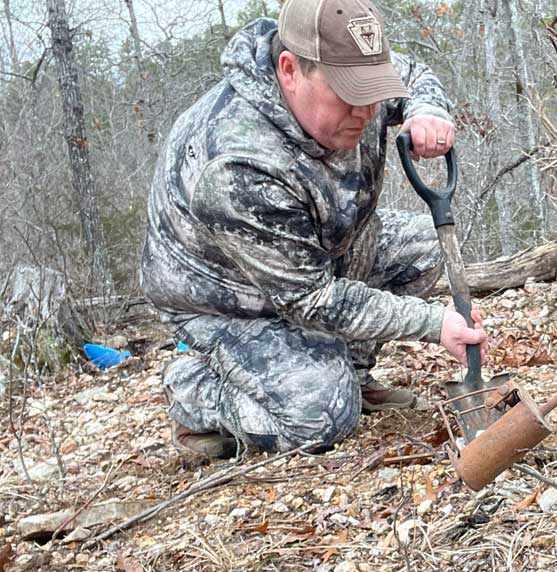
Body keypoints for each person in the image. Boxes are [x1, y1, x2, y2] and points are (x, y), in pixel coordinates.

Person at [140, 0, 487, 459]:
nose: (367, 109)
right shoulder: (237, 162)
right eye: (349, 93)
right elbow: (311, 298)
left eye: (373, 89)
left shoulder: (345, 68)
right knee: (319, 416)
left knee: (423, 246)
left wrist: (426, 110)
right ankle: (195, 391)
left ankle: (353, 375)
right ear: (290, 70)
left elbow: (412, 74)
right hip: (227, 300)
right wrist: (433, 324)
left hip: (317, 252)